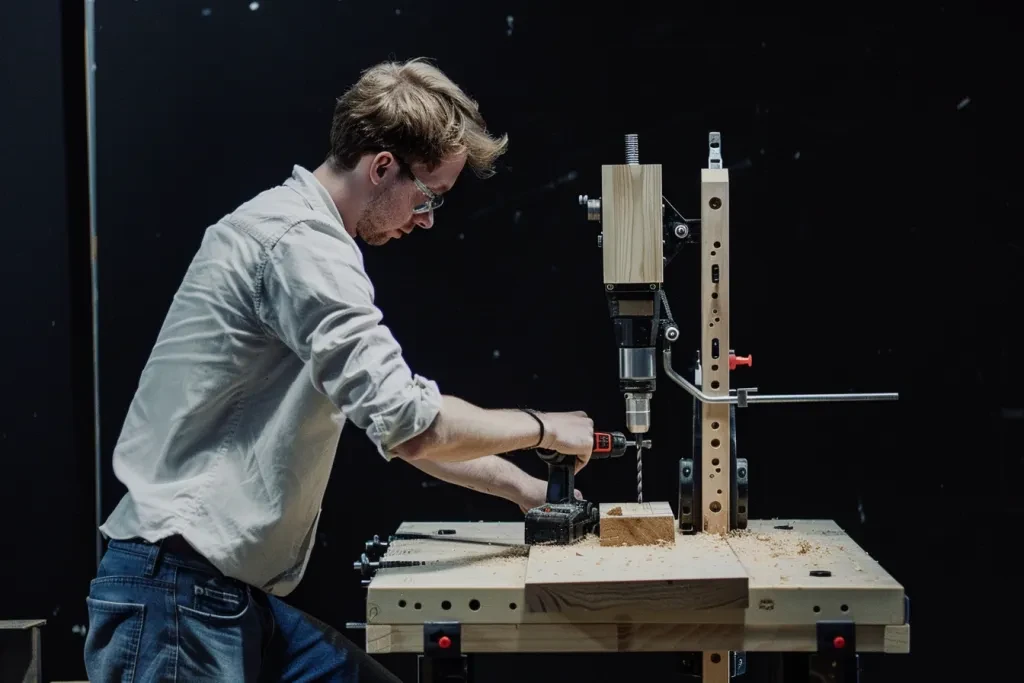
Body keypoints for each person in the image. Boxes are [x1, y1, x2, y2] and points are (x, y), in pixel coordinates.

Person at [84, 57, 595, 682]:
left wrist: (528, 492)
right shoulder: (301, 243)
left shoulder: (303, 237)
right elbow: (414, 425)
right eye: (428, 195)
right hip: (176, 599)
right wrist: (542, 427)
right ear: (382, 166)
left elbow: (397, 429)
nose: (428, 218)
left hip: (220, 595)